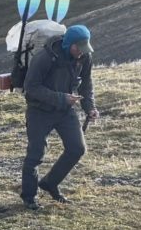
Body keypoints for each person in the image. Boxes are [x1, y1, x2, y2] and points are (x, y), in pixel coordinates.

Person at [21, 25, 98, 210]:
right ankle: (29, 197)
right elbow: (31, 88)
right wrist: (62, 98)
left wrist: (90, 108)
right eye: (78, 48)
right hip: (39, 111)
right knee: (35, 154)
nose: (81, 52)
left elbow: (86, 85)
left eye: (84, 48)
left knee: (77, 148)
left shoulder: (85, 57)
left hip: (65, 110)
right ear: (68, 44)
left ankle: (49, 183)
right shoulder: (45, 58)